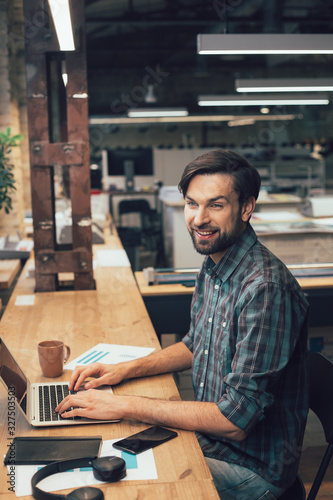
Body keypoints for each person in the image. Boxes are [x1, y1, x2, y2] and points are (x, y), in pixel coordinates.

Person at [56, 150, 309, 500]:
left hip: (251, 466)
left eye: (215, 205)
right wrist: (123, 370)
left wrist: (124, 405)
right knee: (97, 453)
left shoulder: (265, 289)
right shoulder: (216, 261)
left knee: (115, 489)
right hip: (210, 441)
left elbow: (235, 422)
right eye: (192, 203)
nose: (199, 218)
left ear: (246, 208)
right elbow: (195, 344)